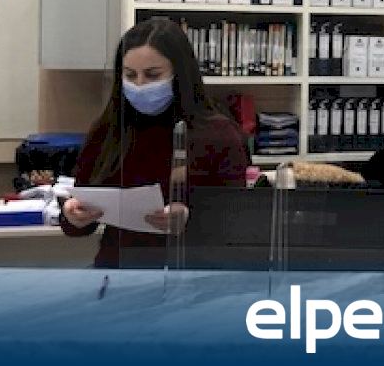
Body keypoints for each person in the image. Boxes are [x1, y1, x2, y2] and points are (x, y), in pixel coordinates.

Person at [60, 19, 249, 268]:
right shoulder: (108, 131)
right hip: (119, 270)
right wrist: (73, 216)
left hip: (193, 273)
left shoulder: (219, 135)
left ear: (179, 74)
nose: (139, 85)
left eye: (152, 75)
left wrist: (189, 219)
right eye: (130, 75)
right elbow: (80, 220)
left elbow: (237, 224)